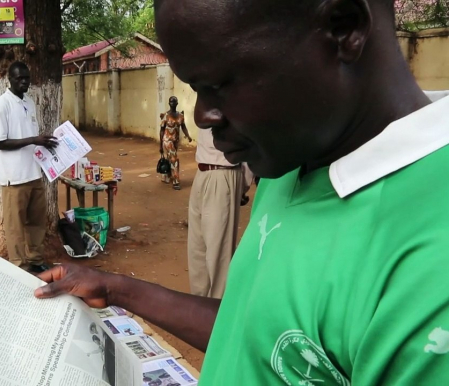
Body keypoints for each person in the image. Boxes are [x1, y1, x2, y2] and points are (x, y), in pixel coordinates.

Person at [34, 0, 449, 384]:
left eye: (220, 83)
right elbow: (254, 329)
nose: (202, 116)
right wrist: (113, 288)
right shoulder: (292, 162)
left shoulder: (431, 268)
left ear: (344, 28)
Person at [0, 61, 57, 273]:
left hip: (34, 173)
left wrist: (44, 143)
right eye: (19, 78)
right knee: (15, 226)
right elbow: (0, 142)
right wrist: (34, 140)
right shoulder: (2, 104)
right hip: (14, 178)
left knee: (37, 221)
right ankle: (19, 266)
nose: (24, 82)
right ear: (9, 80)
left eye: (27, 78)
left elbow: (33, 138)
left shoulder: (29, 101)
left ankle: (36, 260)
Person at [187, 128, 252, 299]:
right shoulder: (207, 102)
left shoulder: (237, 104)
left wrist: (242, 184)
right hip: (202, 172)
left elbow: (248, 142)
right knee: (197, 250)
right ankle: (199, 303)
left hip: (223, 173)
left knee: (218, 253)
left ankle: (216, 311)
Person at [159, 96, 192, 190]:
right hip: (167, 140)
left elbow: (183, 127)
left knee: (170, 159)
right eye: (171, 102)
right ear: (169, 103)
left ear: (177, 103)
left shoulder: (180, 115)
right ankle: (176, 181)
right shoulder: (166, 115)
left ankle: (168, 176)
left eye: (174, 102)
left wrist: (188, 135)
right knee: (174, 159)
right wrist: (161, 144)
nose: (172, 104)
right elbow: (161, 130)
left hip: (175, 141)